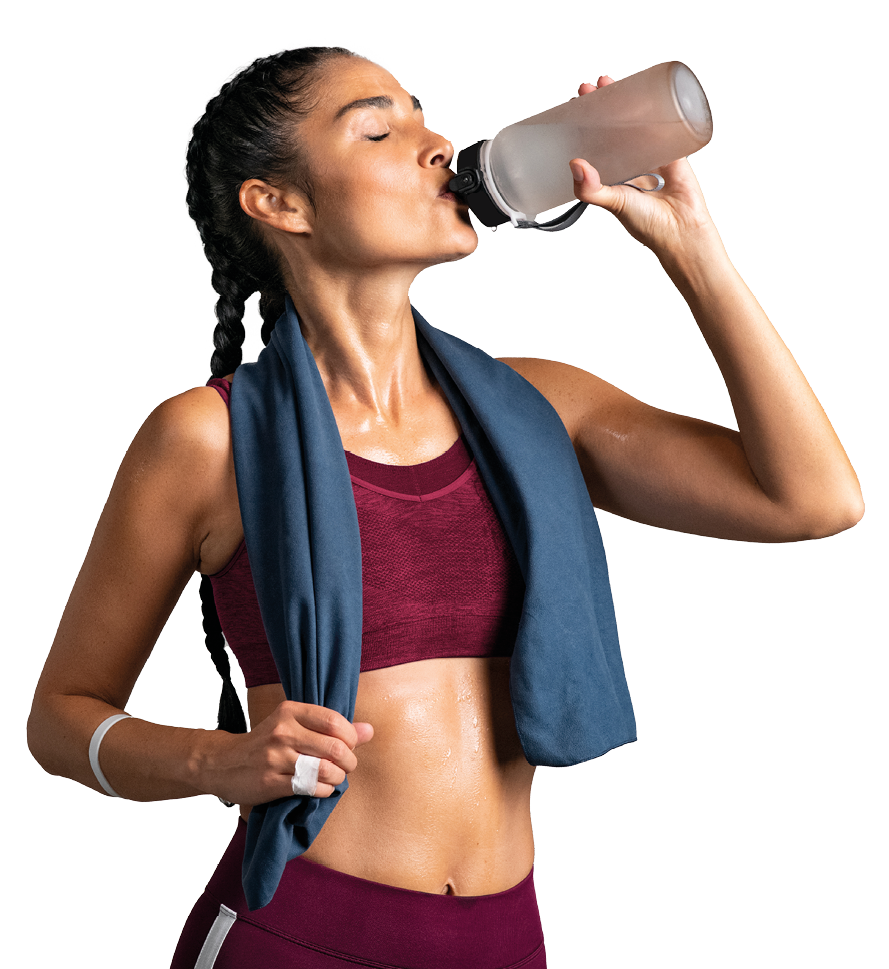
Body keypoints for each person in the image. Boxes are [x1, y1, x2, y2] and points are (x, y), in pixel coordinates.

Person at [26, 42, 863, 969]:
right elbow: (61, 715)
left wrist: (691, 251)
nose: (439, 146)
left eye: (425, 115)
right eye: (380, 128)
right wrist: (211, 760)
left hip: (503, 941)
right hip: (297, 935)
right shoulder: (209, 438)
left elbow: (812, 498)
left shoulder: (542, 408)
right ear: (281, 203)